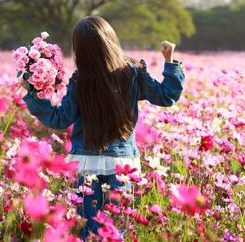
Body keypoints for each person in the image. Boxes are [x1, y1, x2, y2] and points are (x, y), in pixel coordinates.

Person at [21, 15, 185, 241]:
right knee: (114, 229)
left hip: (85, 163)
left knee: (89, 228)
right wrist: (170, 60)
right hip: (123, 164)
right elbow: (167, 97)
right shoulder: (133, 73)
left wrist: (32, 93)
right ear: (111, 40)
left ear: (81, 50)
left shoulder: (81, 81)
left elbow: (59, 119)